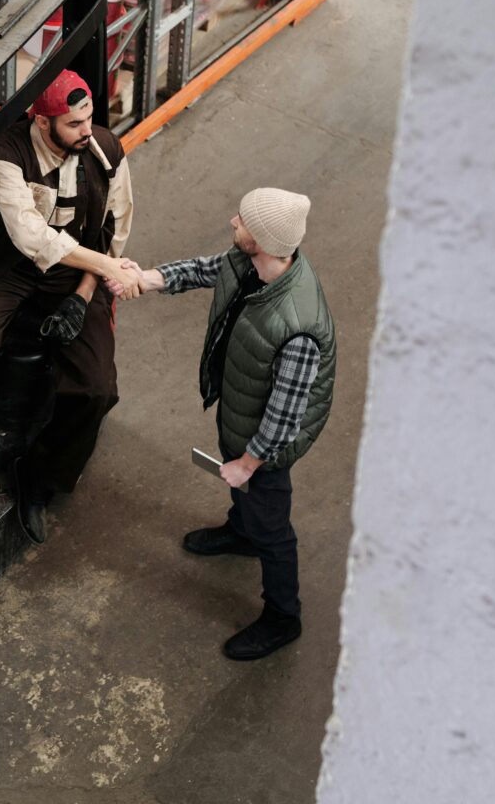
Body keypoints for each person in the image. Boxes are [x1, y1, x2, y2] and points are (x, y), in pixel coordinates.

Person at [129, 188, 337, 660]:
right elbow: (207, 269)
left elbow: (285, 414)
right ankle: (240, 531)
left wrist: (250, 462)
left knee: (274, 527)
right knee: (237, 475)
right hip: (242, 409)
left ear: (262, 240)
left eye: (242, 221)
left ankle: (284, 616)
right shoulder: (252, 265)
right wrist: (150, 278)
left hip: (267, 443)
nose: (232, 222)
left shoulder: (298, 325)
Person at [0, 69, 141, 544]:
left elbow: (113, 235)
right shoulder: (6, 154)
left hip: (78, 272)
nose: (87, 132)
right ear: (42, 123)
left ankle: (38, 477)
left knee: (98, 388)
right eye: (74, 124)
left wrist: (83, 295)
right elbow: (29, 237)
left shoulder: (106, 152)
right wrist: (103, 264)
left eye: (89, 119)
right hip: (13, 266)